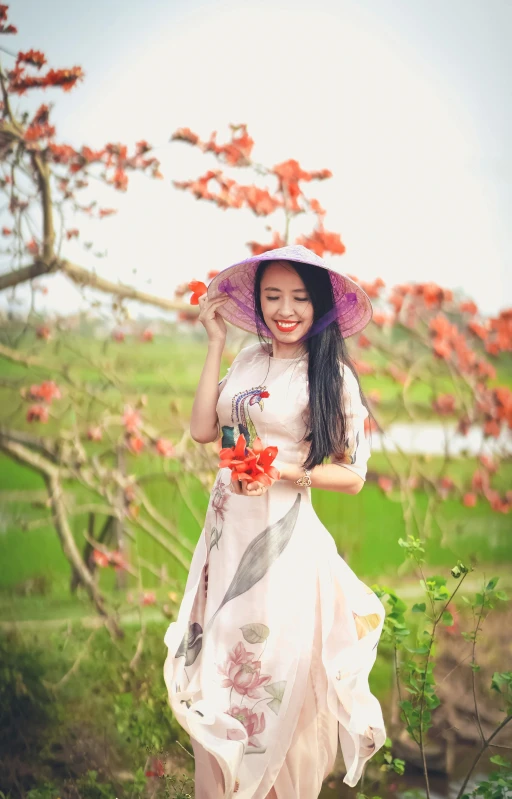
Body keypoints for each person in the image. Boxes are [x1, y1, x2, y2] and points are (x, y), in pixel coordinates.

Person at [163, 244, 387, 799]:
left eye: (298, 298)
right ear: (258, 303)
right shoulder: (245, 359)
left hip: (281, 541)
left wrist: (281, 470)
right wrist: (215, 342)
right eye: (272, 297)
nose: (285, 310)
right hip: (225, 538)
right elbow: (201, 430)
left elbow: (353, 474)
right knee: (216, 671)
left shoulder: (330, 374)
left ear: (317, 305)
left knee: (267, 672)